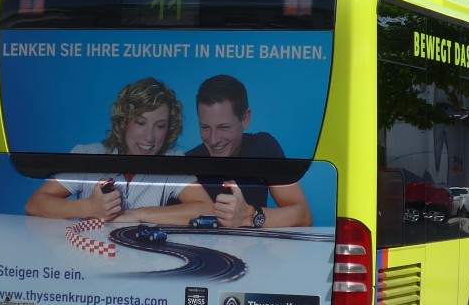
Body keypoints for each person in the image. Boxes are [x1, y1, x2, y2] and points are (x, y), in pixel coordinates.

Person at [25, 77, 213, 225]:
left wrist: (137, 214)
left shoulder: (171, 161)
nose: (149, 137)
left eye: (160, 126)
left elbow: (206, 209)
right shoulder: (90, 156)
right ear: (124, 122)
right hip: (89, 261)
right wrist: (87, 208)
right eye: (140, 123)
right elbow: (35, 203)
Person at [186, 74, 312, 228]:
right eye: (205, 127)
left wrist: (248, 216)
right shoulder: (187, 161)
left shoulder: (264, 147)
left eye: (223, 127)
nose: (213, 140)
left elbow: (304, 215)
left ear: (245, 120)